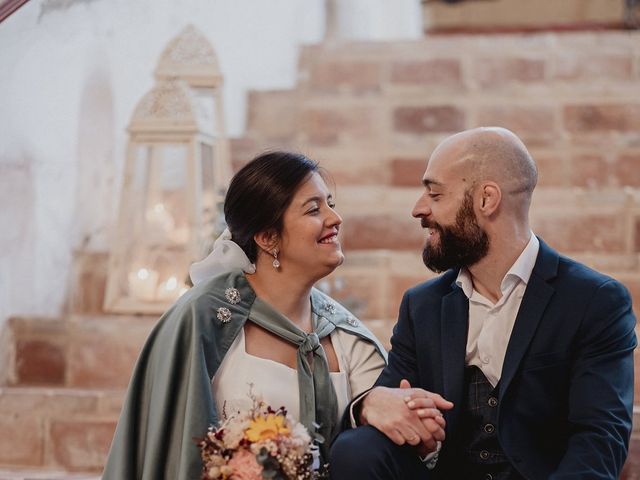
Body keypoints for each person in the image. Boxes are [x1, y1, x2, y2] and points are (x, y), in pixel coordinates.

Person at [330, 127, 637, 479]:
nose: (419, 209)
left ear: (486, 200)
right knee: (357, 450)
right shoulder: (422, 306)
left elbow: (600, 439)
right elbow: (389, 399)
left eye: (435, 193)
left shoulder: (593, 300)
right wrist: (369, 404)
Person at [102, 151, 388, 480]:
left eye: (330, 204)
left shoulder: (347, 338)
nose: (334, 218)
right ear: (268, 238)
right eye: (314, 209)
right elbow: (173, 449)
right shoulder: (201, 320)